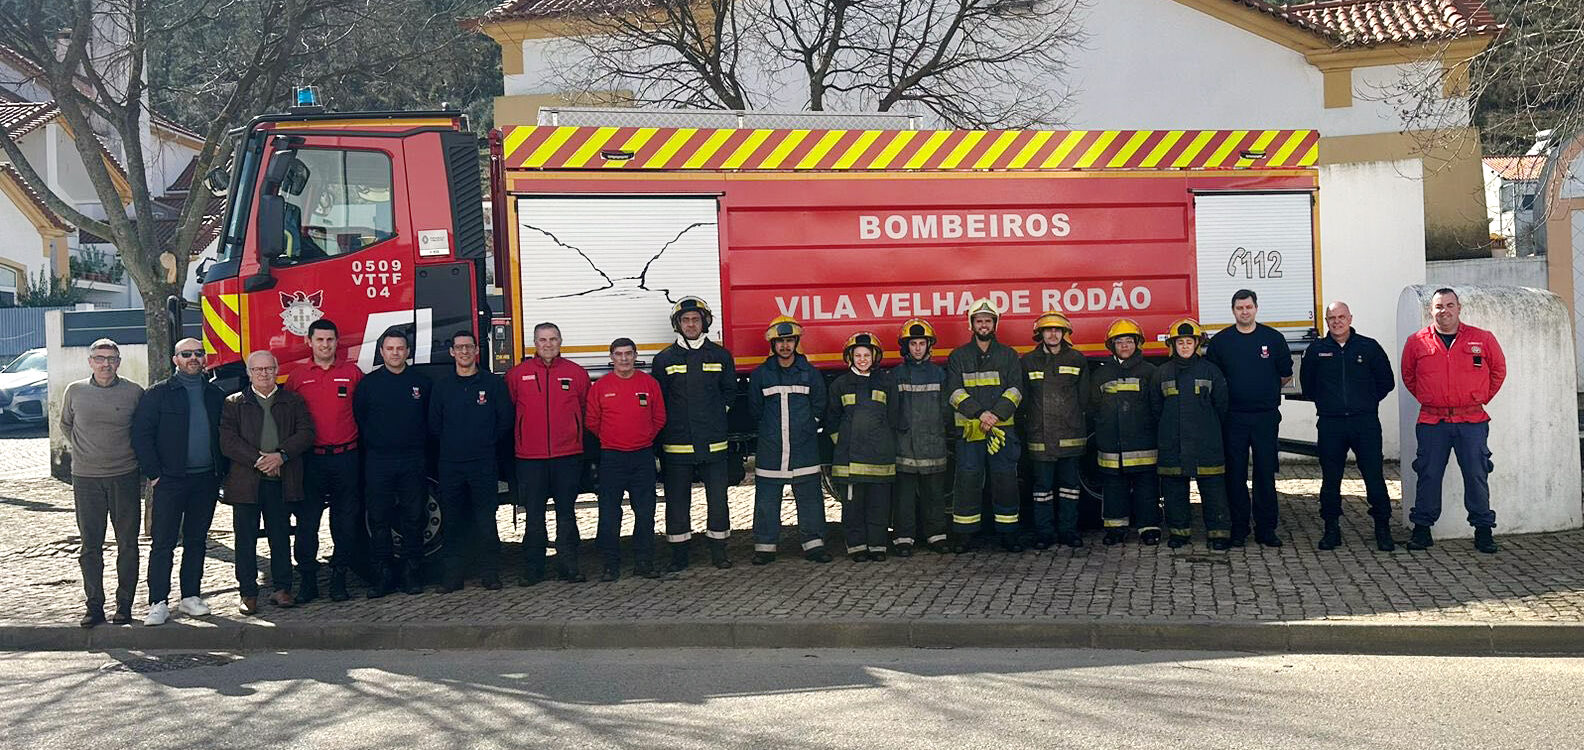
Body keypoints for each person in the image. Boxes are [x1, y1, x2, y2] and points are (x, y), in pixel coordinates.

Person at [1400, 288, 1506, 553]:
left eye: (1449, 305)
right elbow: (1408, 375)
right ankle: (1422, 530)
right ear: (1431, 310)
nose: (1444, 311)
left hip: (1471, 420)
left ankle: (1483, 531)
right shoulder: (1417, 342)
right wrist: (1430, 397)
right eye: (1438, 306)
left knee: (1476, 474)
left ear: (1459, 308)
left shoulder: (1482, 338)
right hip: (1432, 421)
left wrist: (1479, 397)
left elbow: (1498, 371)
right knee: (1428, 474)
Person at [130, 338, 224, 626]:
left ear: (204, 358)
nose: (193, 358)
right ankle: (158, 602)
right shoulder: (158, 394)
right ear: (176, 360)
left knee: (197, 540)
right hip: (170, 481)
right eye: (186, 354)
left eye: (198, 353)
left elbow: (225, 435)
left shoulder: (215, 394)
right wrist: (154, 474)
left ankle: (190, 596)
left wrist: (222, 473)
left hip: (206, 479)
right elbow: (141, 435)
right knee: (163, 542)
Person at [219, 351, 315, 613]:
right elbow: (228, 441)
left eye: (268, 369)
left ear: (276, 370)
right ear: (249, 373)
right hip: (246, 483)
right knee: (245, 539)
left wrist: (281, 456)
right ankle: (248, 593)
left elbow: (306, 433)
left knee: (280, 536)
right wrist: (259, 460)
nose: (264, 374)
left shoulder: (292, 401)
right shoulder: (234, 403)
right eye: (258, 369)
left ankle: (282, 589)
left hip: (281, 480)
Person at [1299, 301, 1397, 552]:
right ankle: (1331, 529)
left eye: (1341, 317)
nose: (1337, 322)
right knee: (1331, 479)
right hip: (1331, 423)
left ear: (1350, 318)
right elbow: (1308, 386)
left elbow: (1386, 382)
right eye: (1332, 318)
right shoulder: (1316, 350)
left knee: (1374, 476)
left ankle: (1383, 528)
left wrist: (1366, 402)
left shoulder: (1369, 347)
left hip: (1365, 423)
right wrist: (1328, 403)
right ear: (1326, 321)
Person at [60, 338, 143, 627]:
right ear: (90, 361)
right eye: (100, 358)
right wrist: (86, 451)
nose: (106, 364)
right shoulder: (75, 391)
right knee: (90, 545)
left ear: (119, 362)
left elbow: (142, 430)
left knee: (128, 544)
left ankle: (125, 605)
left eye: (111, 358)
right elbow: (66, 424)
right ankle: (94, 605)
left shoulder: (134, 392)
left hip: (125, 476)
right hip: (86, 478)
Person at [651, 297, 736, 571]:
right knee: (677, 502)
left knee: (718, 500)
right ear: (678, 324)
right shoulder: (664, 359)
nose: (691, 324)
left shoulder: (721, 356)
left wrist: (717, 414)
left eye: (695, 319)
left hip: (713, 443)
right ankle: (679, 555)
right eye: (685, 320)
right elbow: (659, 401)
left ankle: (719, 551)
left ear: (704, 322)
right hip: (677, 445)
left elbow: (730, 391)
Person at [284, 318, 365, 601]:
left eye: (330, 340)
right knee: (307, 523)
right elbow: (288, 419)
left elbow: (363, 412)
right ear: (309, 342)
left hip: (346, 458)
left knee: (344, 523)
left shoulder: (352, 373)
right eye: (319, 340)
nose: (325, 345)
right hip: (311, 461)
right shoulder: (297, 377)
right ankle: (308, 581)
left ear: (337, 342)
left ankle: (339, 579)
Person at [1206, 289, 1292, 548]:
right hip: (1233, 418)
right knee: (1235, 476)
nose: (1244, 312)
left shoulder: (1273, 339)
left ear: (1256, 308)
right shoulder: (1221, 342)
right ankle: (1238, 529)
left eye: (1248, 307)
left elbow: (1285, 375)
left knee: (1265, 474)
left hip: (1265, 417)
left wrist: (1263, 392)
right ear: (1233, 310)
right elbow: (1214, 380)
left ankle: (1266, 529)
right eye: (1239, 308)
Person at [429, 329, 514, 591]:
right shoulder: (442, 387)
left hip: (483, 463)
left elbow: (505, 420)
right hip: (451, 465)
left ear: (477, 350)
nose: (464, 351)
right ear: (452, 352)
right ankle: (453, 577)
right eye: (459, 347)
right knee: (453, 521)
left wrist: (484, 442)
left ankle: (490, 574)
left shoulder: (492, 384)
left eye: (469, 347)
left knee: (486, 520)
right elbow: (434, 425)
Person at [508, 322, 591, 583]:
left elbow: (585, 409)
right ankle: (533, 569)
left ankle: (569, 566)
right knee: (534, 515)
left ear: (560, 341)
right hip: (530, 459)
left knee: (566, 513)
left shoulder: (576, 373)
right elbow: (511, 411)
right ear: (534, 343)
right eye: (543, 340)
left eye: (553, 339)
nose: (548, 344)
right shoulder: (517, 375)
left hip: (567, 456)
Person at [354, 327, 431, 596]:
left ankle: (412, 573)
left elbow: (430, 420)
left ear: (408, 351)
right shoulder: (368, 385)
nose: (395, 353)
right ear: (382, 352)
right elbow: (360, 418)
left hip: (413, 460)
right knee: (379, 519)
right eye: (390, 348)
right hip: (379, 460)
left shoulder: (422, 383)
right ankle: (384, 575)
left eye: (400, 348)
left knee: (414, 518)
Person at [749, 316, 832, 565]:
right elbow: (755, 409)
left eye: (789, 341)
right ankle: (765, 547)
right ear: (772, 345)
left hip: (803, 446)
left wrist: (808, 426)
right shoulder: (761, 375)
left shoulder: (810, 373)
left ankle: (814, 545)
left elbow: (820, 404)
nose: (785, 346)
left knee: (810, 497)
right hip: (772, 446)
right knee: (767, 499)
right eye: (780, 342)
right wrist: (770, 430)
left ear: (796, 342)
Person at [945, 298, 1024, 553]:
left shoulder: (1009, 355)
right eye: (979, 321)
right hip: (971, 431)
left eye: (988, 321)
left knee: (1005, 481)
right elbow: (954, 393)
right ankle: (964, 535)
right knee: (967, 480)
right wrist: (981, 414)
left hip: (1001, 431)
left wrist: (995, 416)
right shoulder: (958, 356)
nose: (983, 325)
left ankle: (1008, 534)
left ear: (994, 324)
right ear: (972, 325)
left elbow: (1016, 390)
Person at [587, 338, 667, 581]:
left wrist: (643, 437)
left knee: (645, 512)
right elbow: (592, 421)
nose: (624, 358)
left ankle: (644, 562)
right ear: (611, 357)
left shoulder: (649, 383)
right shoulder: (601, 387)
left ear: (635, 356)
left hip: (642, 457)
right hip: (612, 458)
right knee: (610, 514)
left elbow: (659, 417)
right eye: (619, 354)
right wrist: (612, 439)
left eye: (628, 353)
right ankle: (610, 565)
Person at [1151, 319, 1233, 550]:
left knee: (1214, 490)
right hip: (1173, 443)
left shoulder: (1211, 371)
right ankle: (1179, 534)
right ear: (1172, 345)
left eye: (1189, 342)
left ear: (1196, 344)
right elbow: (1155, 408)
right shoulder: (1162, 373)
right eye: (1180, 342)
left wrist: (1209, 428)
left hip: (1206, 442)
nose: (1185, 346)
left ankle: (1218, 534)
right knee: (1174, 491)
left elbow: (1221, 406)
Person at [827, 332, 901, 563]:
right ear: (850, 357)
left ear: (874, 357)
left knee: (879, 506)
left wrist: (887, 443)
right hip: (850, 460)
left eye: (866, 355)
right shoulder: (840, 385)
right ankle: (857, 547)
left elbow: (894, 418)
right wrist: (844, 443)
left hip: (880, 458)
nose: (862, 359)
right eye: (858, 355)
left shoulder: (886, 383)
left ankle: (877, 546)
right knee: (853, 508)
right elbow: (831, 420)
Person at [1089, 319, 1161, 546]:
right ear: (1112, 346)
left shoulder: (1150, 372)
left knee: (1146, 488)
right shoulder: (1101, 374)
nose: (1125, 346)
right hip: (1112, 444)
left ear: (1137, 343)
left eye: (1129, 341)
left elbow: (1157, 406)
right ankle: (1115, 529)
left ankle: (1149, 528)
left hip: (1143, 444)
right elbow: (1093, 405)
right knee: (1113, 488)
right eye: (1119, 342)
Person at [1020, 311, 1090, 549]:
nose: (1052, 334)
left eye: (1057, 330)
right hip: (1040, 435)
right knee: (1042, 490)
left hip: (1070, 435)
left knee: (1070, 488)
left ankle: (1069, 532)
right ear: (1040, 334)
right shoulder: (1028, 361)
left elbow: (1084, 399)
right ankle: (1044, 534)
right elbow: (1024, 400)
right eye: (1048, 330)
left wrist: (1073, 421)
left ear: (1064, 333)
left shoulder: (1077, 359)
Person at [890, 318, 951, 555]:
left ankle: (936, 537)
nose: (917, 348)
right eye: (913, 343)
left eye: (921, 343)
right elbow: (892, 411)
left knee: (934, 494)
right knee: (903, 497)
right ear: (906, 347)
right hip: (905, 445)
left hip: (932, 443)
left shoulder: (939, 374)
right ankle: (903, 538)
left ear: (929, 346)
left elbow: (946, 409)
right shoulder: (897, 374)